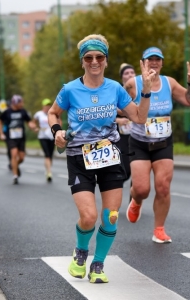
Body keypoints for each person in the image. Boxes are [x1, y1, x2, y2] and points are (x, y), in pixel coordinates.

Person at [48, 34, 155, 283]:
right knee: (88, 217)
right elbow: (53, 113)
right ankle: (81, 252)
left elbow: (139, 117)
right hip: (79, 157)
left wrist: (146, 92)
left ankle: (98, 264)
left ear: (106, 60)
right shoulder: (70, 89)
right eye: (89, 58)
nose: (94, 61)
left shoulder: (115, 88)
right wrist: (57, 132)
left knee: (111, 216)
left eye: (99, 57)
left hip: (109, 156)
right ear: (82, 61)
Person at [125, 47, 190, 243]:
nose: (154, 63)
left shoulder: (169, 83)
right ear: (143, 62)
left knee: (162, 187)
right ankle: (136, 200)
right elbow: (119, 108)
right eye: (149, 59)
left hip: (163, 143)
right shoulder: (132, 84)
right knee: (142, 189)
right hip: (139, 143)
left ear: (162, 63)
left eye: (157, 59)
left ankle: (159, 229)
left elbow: (188, 100)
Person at [0, 94, 37, 185]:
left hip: (21, 137)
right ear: (15, 102)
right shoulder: (7, 112)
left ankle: (14, 165)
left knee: (22, 157)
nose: (22, 104)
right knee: (14, 154)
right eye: (21, 102)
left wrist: (33, 127)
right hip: (11, 137)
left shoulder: (23, 111)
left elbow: (29, 121)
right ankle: (15, 176)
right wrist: (1, 133)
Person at [116, 64, 136, 182]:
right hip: (122, 137)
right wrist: (118, 120)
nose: (129, 75)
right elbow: (106, 112)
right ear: (122, 77)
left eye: (132, 72)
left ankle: (134, 201)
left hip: (139, 135)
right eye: (126, 73)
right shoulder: (117, 91)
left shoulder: (142, 90)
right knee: (126, 171)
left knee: (138, 175)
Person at [33, 98, 56, 182]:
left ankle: (48, 170)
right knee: (47, 154)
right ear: (43, 106)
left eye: (49, 105)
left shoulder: (53, 113)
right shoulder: (39, 114)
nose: (48, 107)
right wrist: (35, 128)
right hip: (42, 136)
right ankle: (49, 172)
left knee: (50, 155)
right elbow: (33, 122)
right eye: (46, 105)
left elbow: (58, 122)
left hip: (51, 136)